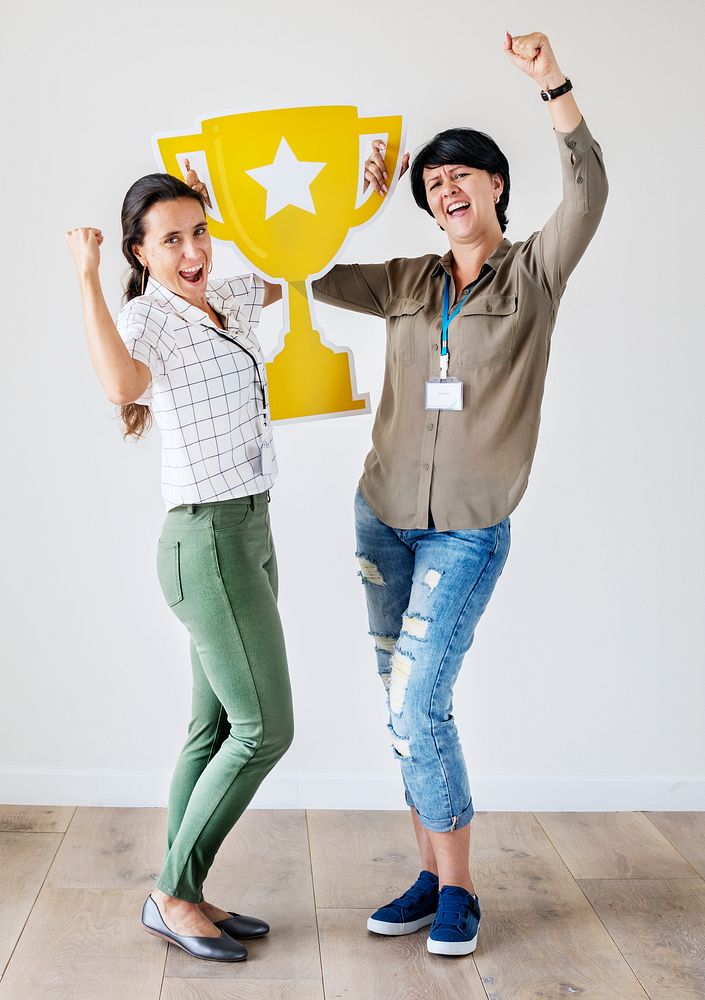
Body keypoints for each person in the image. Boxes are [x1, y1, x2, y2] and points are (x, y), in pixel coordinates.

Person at [312, 30, 608, 956]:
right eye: (432, 181)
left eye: (464, 174)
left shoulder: (534, 275)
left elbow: (588, 190)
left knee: (416, 704)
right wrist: (354, 202)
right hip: (382, 520)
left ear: (495, 189)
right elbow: (307, 271)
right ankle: (430, 875)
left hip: (467, 532)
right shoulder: (405, 281)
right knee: (399, 712)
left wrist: (550, 82)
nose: (447, 187)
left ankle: (461, 894)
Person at [65, 164, 290, 963]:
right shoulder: (144, 319)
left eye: (200, 231)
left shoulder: (225, 297)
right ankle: (173, 893)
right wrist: (89, 277)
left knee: (215, 725)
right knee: (265, 729)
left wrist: (257, 203)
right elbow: (120, 384)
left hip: (251, 530)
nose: (192, 249)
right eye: (172, 239)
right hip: (208, 542)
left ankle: (181, 886)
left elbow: (295, 266)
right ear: (142, 251)